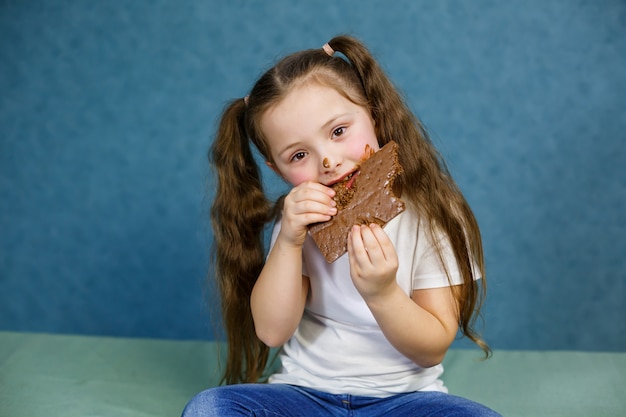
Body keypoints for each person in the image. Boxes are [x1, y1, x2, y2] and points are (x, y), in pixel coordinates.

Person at [183, 35, 501, 416]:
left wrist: (382, 293)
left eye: (338, 132)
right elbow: (271, 331)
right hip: (305, 396)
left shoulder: (435, 213)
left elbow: (432, 346)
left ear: (374, 115)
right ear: (278, 170)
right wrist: (287, 241)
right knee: (209, 408)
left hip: (405, 402)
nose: (328, 161)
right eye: (299, 155)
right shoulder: (297, 219)